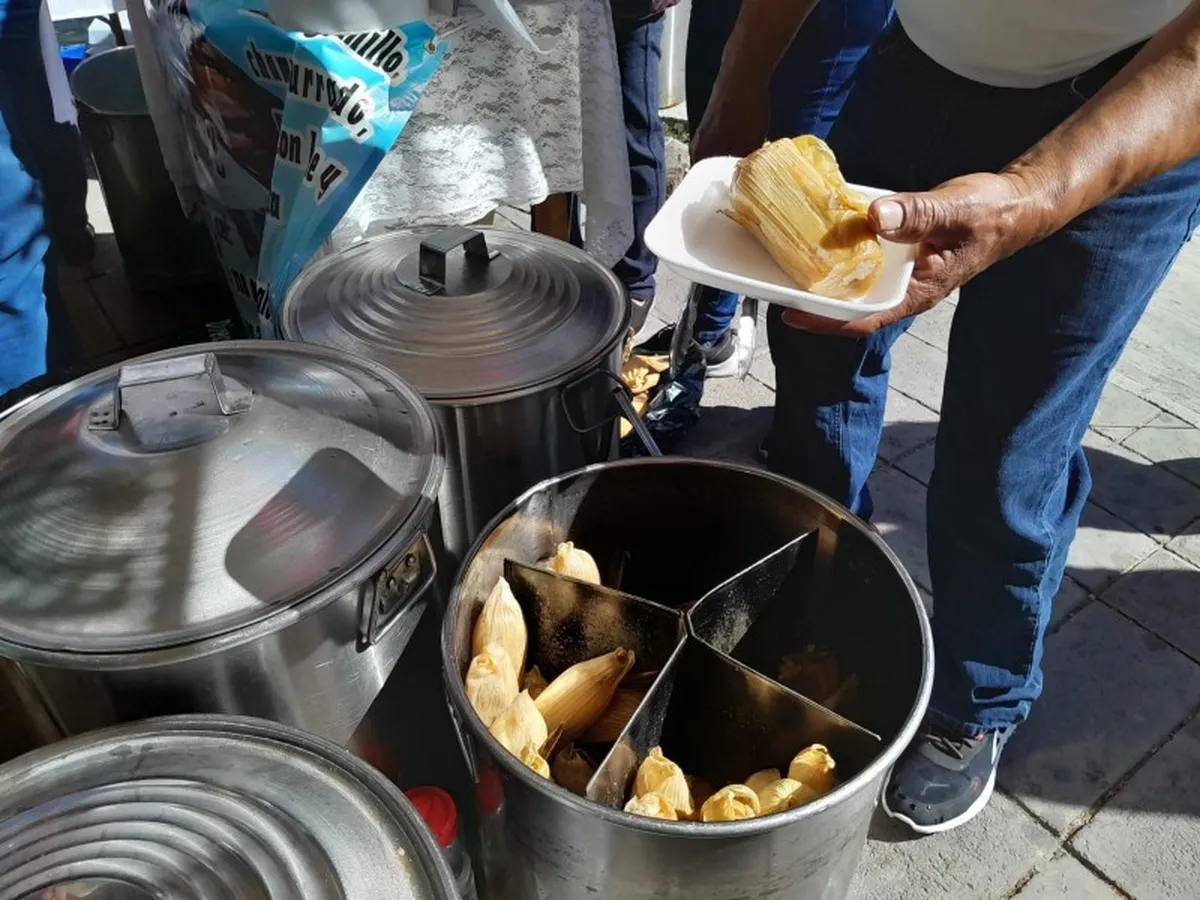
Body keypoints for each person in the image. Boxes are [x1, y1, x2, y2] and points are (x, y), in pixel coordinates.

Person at [694, 0, 1200, 834]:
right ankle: (826, 586)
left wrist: (1033, 195)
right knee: (817, 340)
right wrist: (741, 80)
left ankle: (978, 694)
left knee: (1008, 445)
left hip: (1132, 102)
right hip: (918, 70)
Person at [685, 0, 893, 377]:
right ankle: (708, 336)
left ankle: (810, 409)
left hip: (818, 21)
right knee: (732, 189)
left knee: (813, 269)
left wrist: (739, 82)